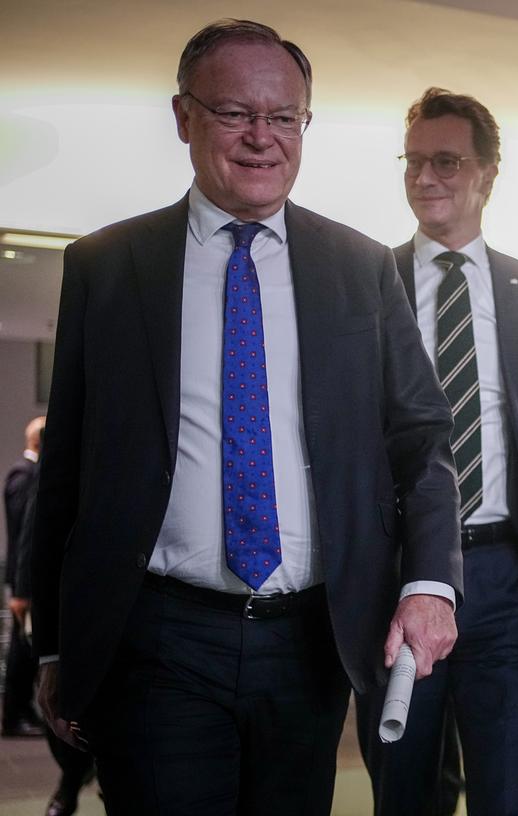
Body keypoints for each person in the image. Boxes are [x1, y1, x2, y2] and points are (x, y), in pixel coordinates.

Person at [27, 20, 462, 815]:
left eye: (285, 117)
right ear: (184, 116)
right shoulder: (107, 266)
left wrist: (431, 582)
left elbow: (423, 436)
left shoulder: (361, 268)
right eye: (234, 114)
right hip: (157, 635)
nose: (263, 138)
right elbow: (69, 462)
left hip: (311, 639)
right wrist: (53, 639)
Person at [355, 86, 518, 816]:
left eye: (446, 161)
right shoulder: (366, 282)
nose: (426, 178)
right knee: (406, 789)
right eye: (414, 162)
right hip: (399, 576)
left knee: (505, 793)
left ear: (487, 174)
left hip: (504, 578)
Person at [10, 427, 97, 816]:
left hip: (119, 592)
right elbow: (37, 523)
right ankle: (70, 780)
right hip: (68, 593)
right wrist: (24, 591)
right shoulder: (69, 441)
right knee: (59, 697)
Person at [3, 416, 44, 738]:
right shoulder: (26, 474)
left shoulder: (26, 473)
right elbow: (24, 534)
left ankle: (21, 711)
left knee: (26, 649)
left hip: (24, 577)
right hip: (25, 578)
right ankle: (15, 714)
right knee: (22, 649)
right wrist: (21, 586)